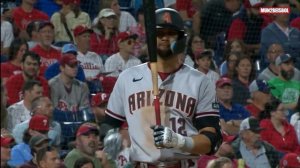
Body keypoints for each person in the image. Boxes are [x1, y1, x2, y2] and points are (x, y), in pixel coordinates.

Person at [102, 8, 222, 167]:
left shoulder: (200, 81)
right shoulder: (127, 78)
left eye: (171, 33)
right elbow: (110, 124)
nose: (165, 38)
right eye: (159, 33)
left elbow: (211, 141)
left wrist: (180, 141)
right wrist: (112, 141)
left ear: (181, 39)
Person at [260, 0, 300, 69]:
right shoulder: (267, 32)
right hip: (277, 72)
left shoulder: (296, 32)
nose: (286, 13)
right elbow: (267, 58)